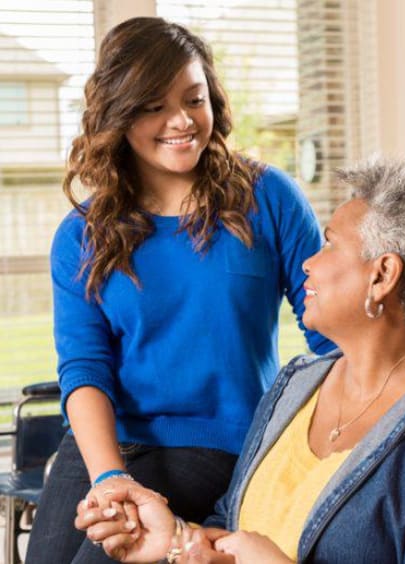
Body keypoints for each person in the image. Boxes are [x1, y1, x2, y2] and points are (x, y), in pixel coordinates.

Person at [75, 157, 405, 563]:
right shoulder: (295, 384)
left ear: (382, 275)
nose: (307, 263)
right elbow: (229, 524)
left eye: (329, 246)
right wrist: (174, 540)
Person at [27, 17, 334, 563]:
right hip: (104, 444)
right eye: (152, 106)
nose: (180, 121)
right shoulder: (81, 234)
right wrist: (110, 479)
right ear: (119, 115)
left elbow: (331, 331)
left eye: (193, 99)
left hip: (216, 443)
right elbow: (84, 366)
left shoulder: (269, 199)